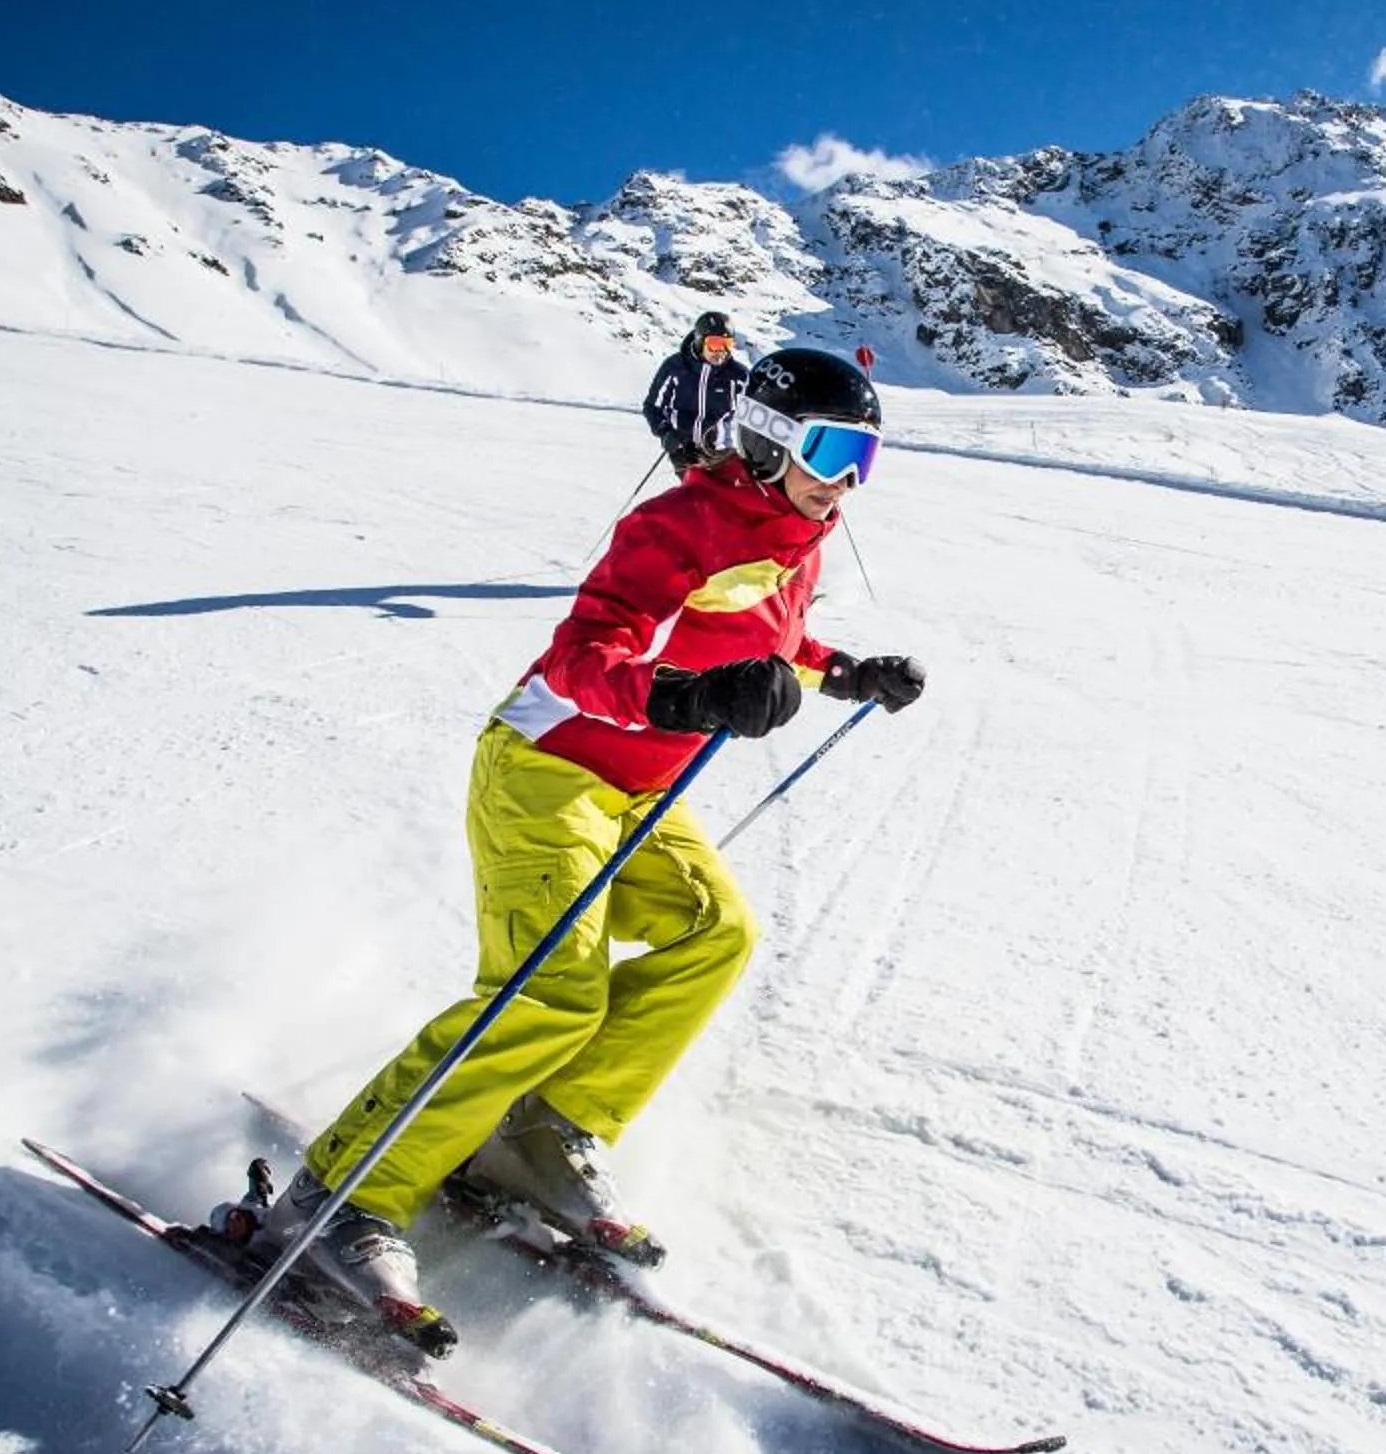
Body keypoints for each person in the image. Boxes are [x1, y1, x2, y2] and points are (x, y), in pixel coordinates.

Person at [253, 347, 927, 1354]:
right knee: (544, 987)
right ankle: (342, 1197)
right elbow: (585, 656)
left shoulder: (801, 538)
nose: (847, 480)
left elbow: (775, 636)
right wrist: (689, 699)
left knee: (716, 934)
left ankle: (536, 1135)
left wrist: (845, 672)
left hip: (636, 787)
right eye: (832, 450)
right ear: (770, 436)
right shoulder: (678, 523)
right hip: (548, 765)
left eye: (865, 458)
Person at [642, 311, 749, 475]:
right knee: (698, 495)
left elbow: (754, 416)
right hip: (682, 448)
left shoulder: (738, 376)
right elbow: (652, 406)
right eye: (715, 343)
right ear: (700, 341)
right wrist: (665, 433)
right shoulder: (675, 368)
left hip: (721, 452)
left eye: (727, 344)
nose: (721, 351)